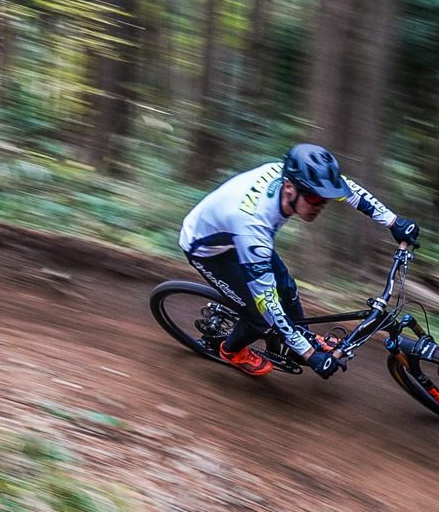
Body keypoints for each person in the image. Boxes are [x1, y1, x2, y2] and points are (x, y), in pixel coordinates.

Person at [178, 143, 420, 379]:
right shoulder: (254, 225)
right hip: (209, 250)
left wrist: (393, 222)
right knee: (259, 316)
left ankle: (302, 337)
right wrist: (308, 354)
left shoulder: (294, 178)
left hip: (238, 236)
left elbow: (349, 190)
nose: (322, 204)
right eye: (315, 199)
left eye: (326, 198)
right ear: (289, 188)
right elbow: (267, 302)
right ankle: (231, 350)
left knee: (287, 288)